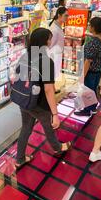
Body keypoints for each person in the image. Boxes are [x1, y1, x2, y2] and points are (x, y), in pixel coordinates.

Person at [15, 28, 72, 168]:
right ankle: (58, 148)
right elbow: (48, 90)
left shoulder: (25, 55)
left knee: (26, 128)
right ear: (45, 41)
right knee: (49, 126)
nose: (51, 41)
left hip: (24, 100)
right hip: (39, 104)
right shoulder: (46, 61)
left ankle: (20, 159)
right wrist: (55, 113)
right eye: (49, 38)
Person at [74, 17, 101, 117]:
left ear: (93, 28)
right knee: (93, 88)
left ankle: (87, 110)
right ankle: (93, 107)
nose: (88, 26)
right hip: (100, 67)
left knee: (88, 89)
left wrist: (82, 76)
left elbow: (88, 61)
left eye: (89, 25)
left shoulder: (92, 42)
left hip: (92, 70)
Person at [48, 7, 68, 83]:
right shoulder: (54, 29)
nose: (67, 17)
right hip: (53, 55)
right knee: (52, 74)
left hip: (56, 55)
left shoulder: (58, 27)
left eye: (67, 15)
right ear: (59, 15)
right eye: (65, 15)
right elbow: (50, 45)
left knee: (54, 74)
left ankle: (53, 88)